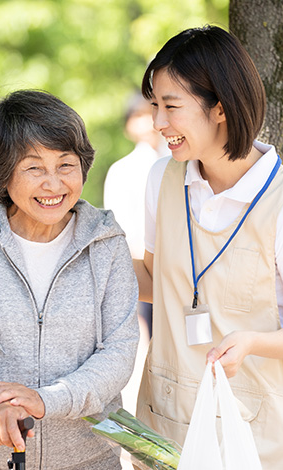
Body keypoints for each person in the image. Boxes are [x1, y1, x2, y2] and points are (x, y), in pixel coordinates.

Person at [133, 26, 283, 469]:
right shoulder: (163, 180)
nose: (158, 123)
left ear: (220, 108)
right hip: (171, 422)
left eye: (171, 106)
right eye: (155, 106)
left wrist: (251, 342)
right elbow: (155, 280)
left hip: (259, 434)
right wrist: (74, 250)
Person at [0, 89, 140, 470]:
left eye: (65, 165)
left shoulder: (106, 243)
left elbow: (120, 351)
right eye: (34, 167)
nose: (54, 184)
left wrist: (45, 401)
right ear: (3, 172)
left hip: (88, 458)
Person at [104, 93, 167, 338]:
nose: (147, 122)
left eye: (150, 112)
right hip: (141, 266)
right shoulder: (123, 170)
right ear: (128, 125)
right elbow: (121, 226)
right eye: (138, 115)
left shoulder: (179, 162)